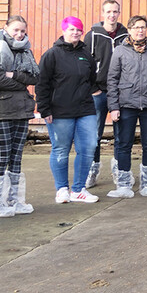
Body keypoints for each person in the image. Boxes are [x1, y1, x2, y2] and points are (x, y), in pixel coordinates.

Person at [35, 16, 100, 204]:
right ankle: (62, 188)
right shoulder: (52, 54)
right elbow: (42, 84)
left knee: (88, 147)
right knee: (61, 149)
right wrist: (44, 108)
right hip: (60, 112)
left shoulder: (86, 54)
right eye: (72, 29)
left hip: (85, 110)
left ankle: (79, 189)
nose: (76, 33)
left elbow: (92, 79)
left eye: (79, 30)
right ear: (64, 30)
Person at [106, 15, 147, 198]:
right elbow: (112, 81)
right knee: (124, 144)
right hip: (126, 104)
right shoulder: (119, 51)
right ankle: (124, 184)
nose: (140, 30)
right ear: (129, 29)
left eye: (142, 27)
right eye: (136, 27)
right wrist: (114, 107)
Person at [0, 15, 38, 219]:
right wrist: (22, 84)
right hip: (2, 110)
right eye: (16, 30)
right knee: (2, 156)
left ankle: (15, 200)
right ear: (6, 28)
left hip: (22, 109)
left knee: (17, 157)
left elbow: (35, 77)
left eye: (23, 31)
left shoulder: (26, 52)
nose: (19, 34)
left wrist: (14, 75)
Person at [83, 0, 126, 189]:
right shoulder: (92, 36)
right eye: (108, 12)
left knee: (121, 134)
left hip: (120, 93)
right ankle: (92, 171)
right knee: (94, 134)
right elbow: (84, 64)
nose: (112, 15)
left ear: (119, 13)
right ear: (103, 13)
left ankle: (118, 170)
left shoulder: (126, 35)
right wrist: (93, 88)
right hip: (98, 92)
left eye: (115, 11)